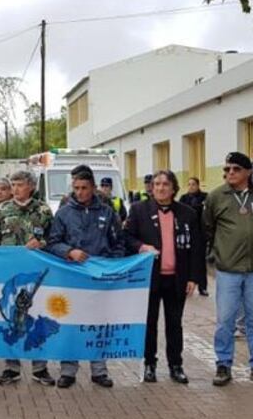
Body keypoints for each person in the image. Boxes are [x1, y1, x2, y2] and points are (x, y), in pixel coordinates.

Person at [46, 166, 133, 388]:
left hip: (99, 279)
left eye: (84, 188)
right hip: (72, 277)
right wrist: (69, 251)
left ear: (93, 188)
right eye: (76, 188)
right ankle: (68, 371)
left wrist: (109, 266)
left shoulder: (107, 212)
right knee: (70, 323)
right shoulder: (63, 213)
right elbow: (53, 242)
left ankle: (99, 371)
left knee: (98, 324)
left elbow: (119, 243)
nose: (80, 192)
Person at [202, 153, 253, 387]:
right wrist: (219, 253)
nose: (230, 173)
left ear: (248, 172)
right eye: (227, 169)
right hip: (228, 269)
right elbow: (208, 228)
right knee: (225, 320)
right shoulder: (217, 196)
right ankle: (223, 365)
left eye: (236, 168)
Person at [125, 170, 204, 384]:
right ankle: (149, 364)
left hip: (177, 278)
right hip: (149, 277)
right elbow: (127, 237)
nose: (160, 188)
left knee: (174, 323)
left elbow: (197, 247)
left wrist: (194, 278)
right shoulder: (139, 210)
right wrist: (141, 247)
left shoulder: (187, 213)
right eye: (157, 184)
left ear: (173, 188)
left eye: (165, 184)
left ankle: (176, 365)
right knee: (150, 323)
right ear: (151, 187)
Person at [0, 170, 56, 387]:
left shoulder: (43, 210)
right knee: (11, 318)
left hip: (36, 275)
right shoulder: (2, 210)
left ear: (30, 186)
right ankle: (11, 367)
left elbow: (54, 239)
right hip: (9, 274)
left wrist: (43, 244)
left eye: (19, 184)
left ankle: (40, 367)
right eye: (13, 185)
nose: (15, 189)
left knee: (37, 317)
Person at [179, 177, 209, 296]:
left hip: (200, 233)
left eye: (193, 184)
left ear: (198, 185)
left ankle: (202, 287)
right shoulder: (184, 198)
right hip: (187, 232)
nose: (191, 187)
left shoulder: (205, 197)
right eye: (189, 184)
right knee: (186, 260)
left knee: (200, 260)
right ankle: (187, 285)